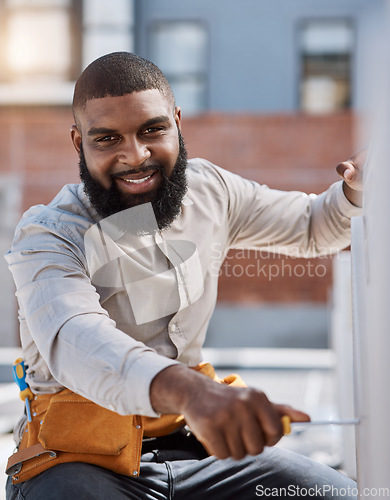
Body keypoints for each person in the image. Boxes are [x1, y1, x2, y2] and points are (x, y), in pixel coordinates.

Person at [5, 52, 363, 500]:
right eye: (107, 139)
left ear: (177, 121)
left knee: (346, 495)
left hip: (200, 453)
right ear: (79, 143)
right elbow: (76, 339)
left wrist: (355, 189)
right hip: (78, 461)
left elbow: (313, 225)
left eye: (152, 130)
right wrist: (191, 391)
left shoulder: (212, 191)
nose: (135, 156)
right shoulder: (49, 234)